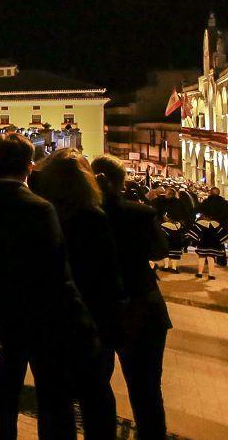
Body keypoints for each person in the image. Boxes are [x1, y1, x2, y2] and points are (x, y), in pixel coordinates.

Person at [0, 133, 96, 440]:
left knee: (4, 392)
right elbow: (57, 269)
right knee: (53, 396)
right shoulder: (41, 208)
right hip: (45, 317)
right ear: (30, 167)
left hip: (4, 316)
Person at [33, 149, 123, 439]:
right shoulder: (94, 218)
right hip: (91, 320)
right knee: (96, 396)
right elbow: (108, 277)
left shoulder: (42, 214)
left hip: (49, 321)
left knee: (52, 401)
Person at [92, 155, 172, 440]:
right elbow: (160, 251)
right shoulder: (139, 213)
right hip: (142, 306)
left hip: (98, 309)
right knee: (147, 392)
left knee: (97, 389)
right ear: (120, 181)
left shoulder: (83, 215)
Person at [187, 207, 228, 280]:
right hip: (214, 245)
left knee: (201, 257)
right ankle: (211, 274)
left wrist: (193, 240)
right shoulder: (217, 224)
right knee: (211, 258)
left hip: (203, 244)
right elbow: (223, 235)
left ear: (204, 215)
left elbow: (194, 233)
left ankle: (199, 273)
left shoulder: (200, 223)